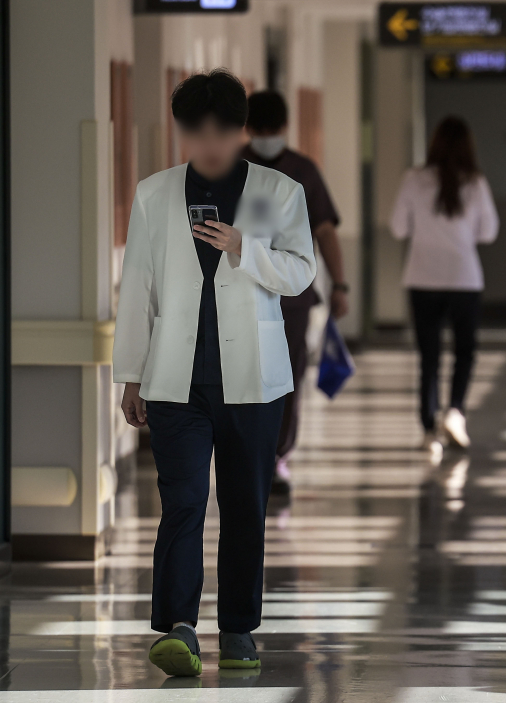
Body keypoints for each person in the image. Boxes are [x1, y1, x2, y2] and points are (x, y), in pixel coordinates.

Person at [113, 70, 316, 676]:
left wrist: (242, 248)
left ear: (239, 130)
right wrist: (130, 375)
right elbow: (137, 291)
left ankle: (238, 631)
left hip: (254, 381)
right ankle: (178, 627)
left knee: (246, 504)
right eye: (196, 131)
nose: (208, 143)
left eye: (221, 130)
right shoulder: (155, 194)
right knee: (183, 501)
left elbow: (301, 271)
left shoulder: (276, 192)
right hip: (177, 379)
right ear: (182, 131)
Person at [242, 91, 349, 496]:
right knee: (244, 373)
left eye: (273, 130)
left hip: (291, 297)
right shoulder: (234, 168)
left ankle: (276, 456)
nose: (268, 136)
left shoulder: (303, 171)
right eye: (261, 129)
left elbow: (325, 231)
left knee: (286, 373)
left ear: (285, 129)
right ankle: (249, 453)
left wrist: (339, 284)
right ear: (248, 128)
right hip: (242, 293)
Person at [389, 116, 499, 455]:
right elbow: (488, 233)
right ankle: (455, 411)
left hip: (423, 278)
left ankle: (427, 428)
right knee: (465, 352)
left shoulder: (413, 179)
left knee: (429, 357)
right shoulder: (476, 183)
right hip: (464, 279)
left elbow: (397, 228)